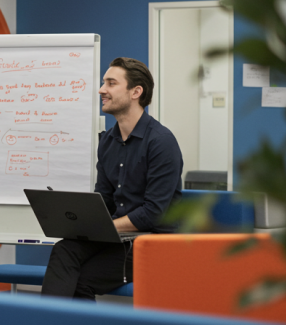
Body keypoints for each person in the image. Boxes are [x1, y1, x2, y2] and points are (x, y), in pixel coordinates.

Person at [41, 57, 183, 300]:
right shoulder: (108, 140)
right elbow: (105, 200)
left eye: (111, 83)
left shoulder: (161, 142)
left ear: (136, 92)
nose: (101, 90)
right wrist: (78, 220)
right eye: (103, 83)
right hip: (120, 237)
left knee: (79, 281)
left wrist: (101, 227)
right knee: (65, 248)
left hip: (154, 243)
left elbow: (154, 213)